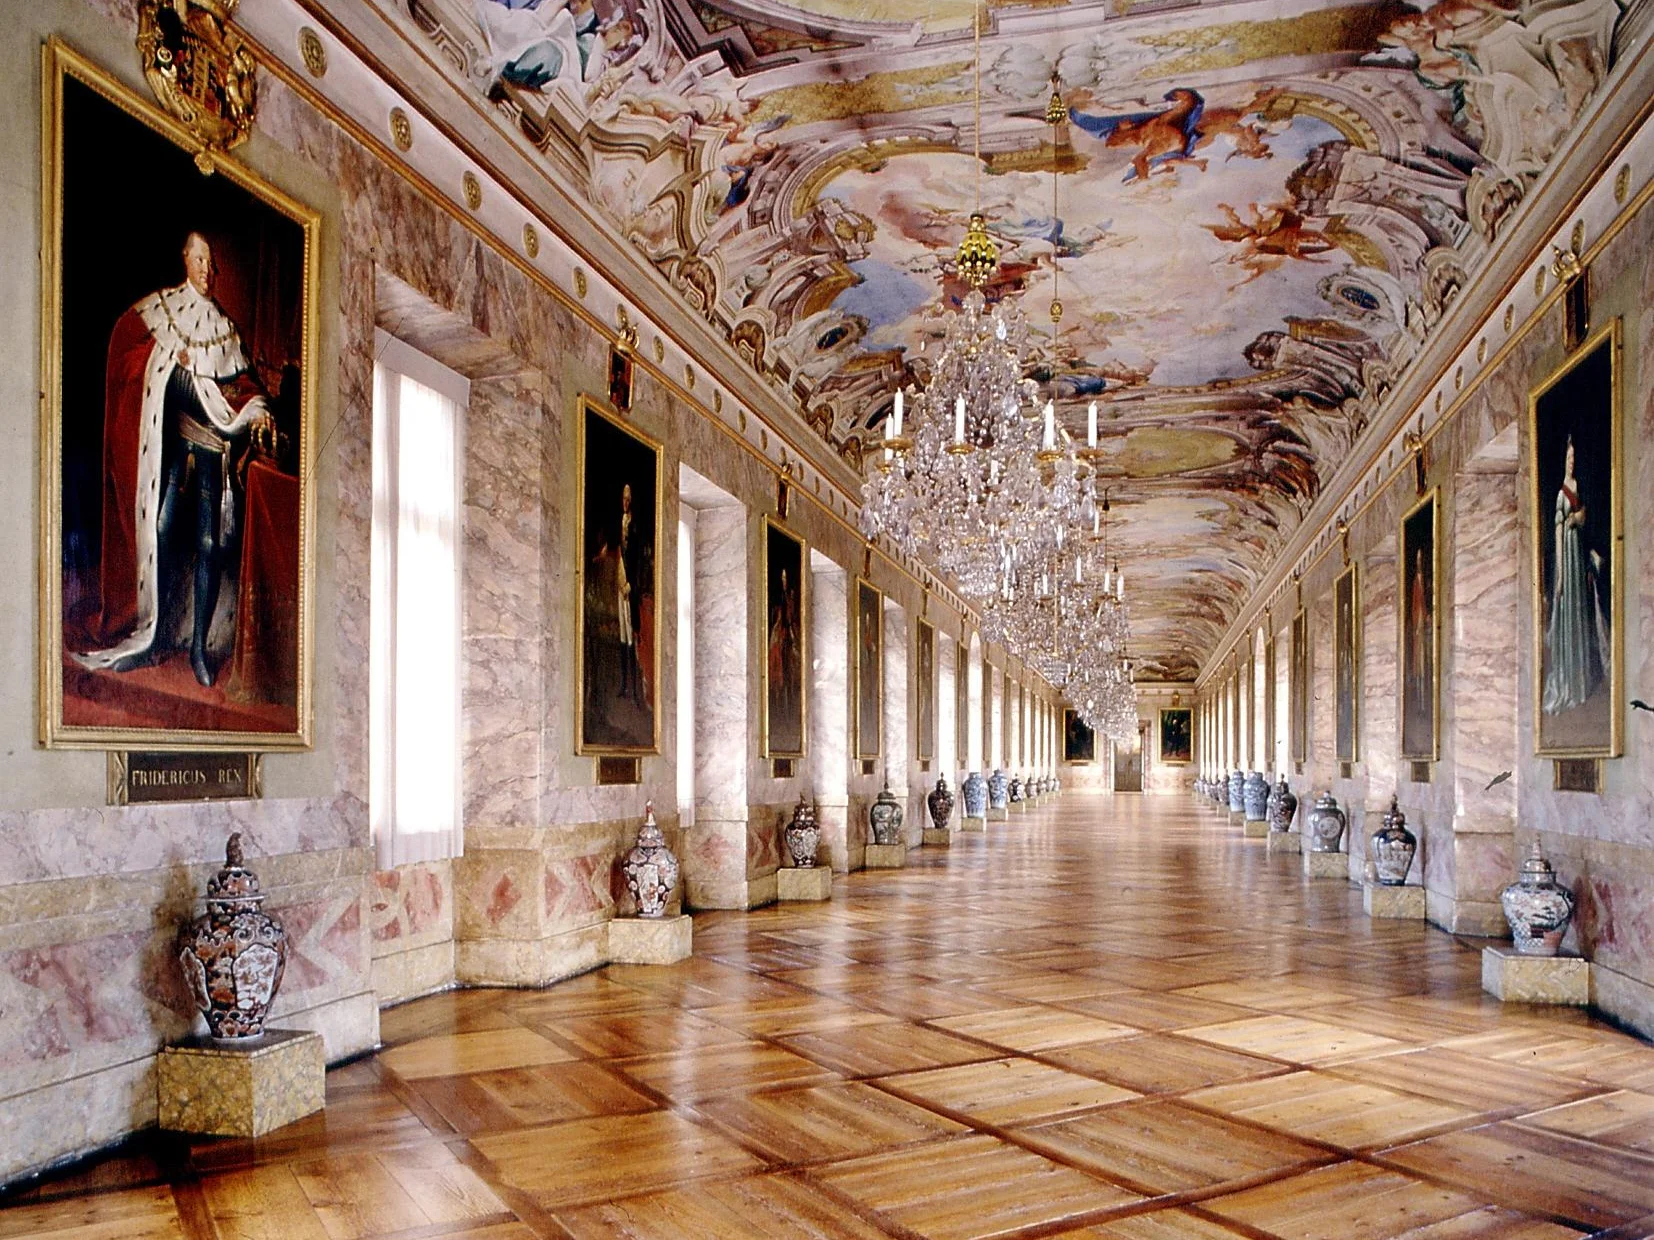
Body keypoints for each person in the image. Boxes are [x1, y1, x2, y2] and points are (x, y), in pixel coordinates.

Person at [77, 232, 273, 687]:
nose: (206, 270)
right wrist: (168, 363)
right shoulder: (163, 308)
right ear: (185, 259)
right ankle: (154, 635)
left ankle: (199, 650)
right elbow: (130, 357)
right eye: (199, 260)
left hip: (211, 450)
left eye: (211, 263)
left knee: (208, 543)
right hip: (171, 445)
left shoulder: (225, 328)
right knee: (161, 530)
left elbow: (244, 385)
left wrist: (255, 408)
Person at [1542, 435, 1609, 714]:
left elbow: (1583, 518)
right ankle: (1568, 683)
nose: (1571, 462)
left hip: (1578, 553)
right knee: (1569, 613)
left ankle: (1581, 683)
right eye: (1568, 458)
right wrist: (1560, 575)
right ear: (1563, 461)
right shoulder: (1561, 494)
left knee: (1580, 614)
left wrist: (1580, 519)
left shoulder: (1578, 486)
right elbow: (1559, 533)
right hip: (1567, 557)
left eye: (1574, 459)